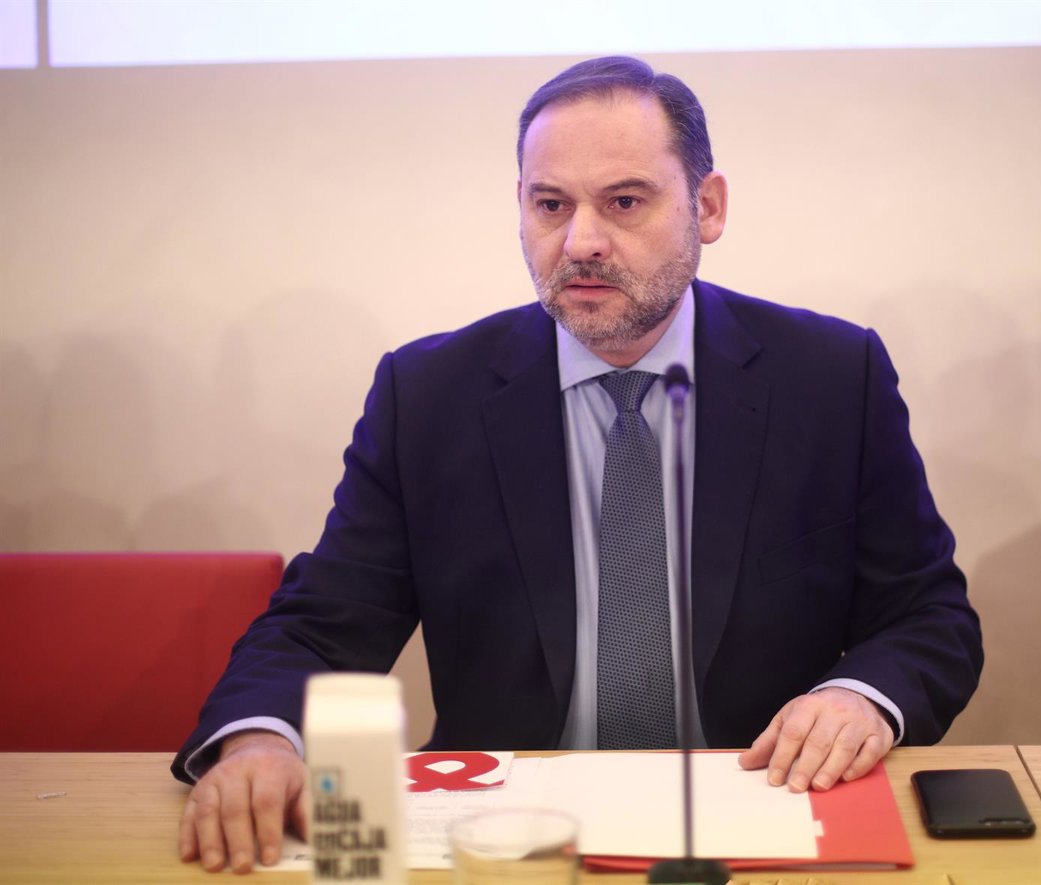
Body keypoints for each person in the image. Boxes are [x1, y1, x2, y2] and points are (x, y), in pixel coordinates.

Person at [175, 56, 982, 873]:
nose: (581, 242)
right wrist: (260, 739)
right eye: (550, 204)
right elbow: (322, 625)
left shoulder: (831, 378)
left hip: (757, 810)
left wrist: (857, 697)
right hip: (508, 839)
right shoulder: (429, 395)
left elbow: (927, 615)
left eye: (624, 201)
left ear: (707, 207)